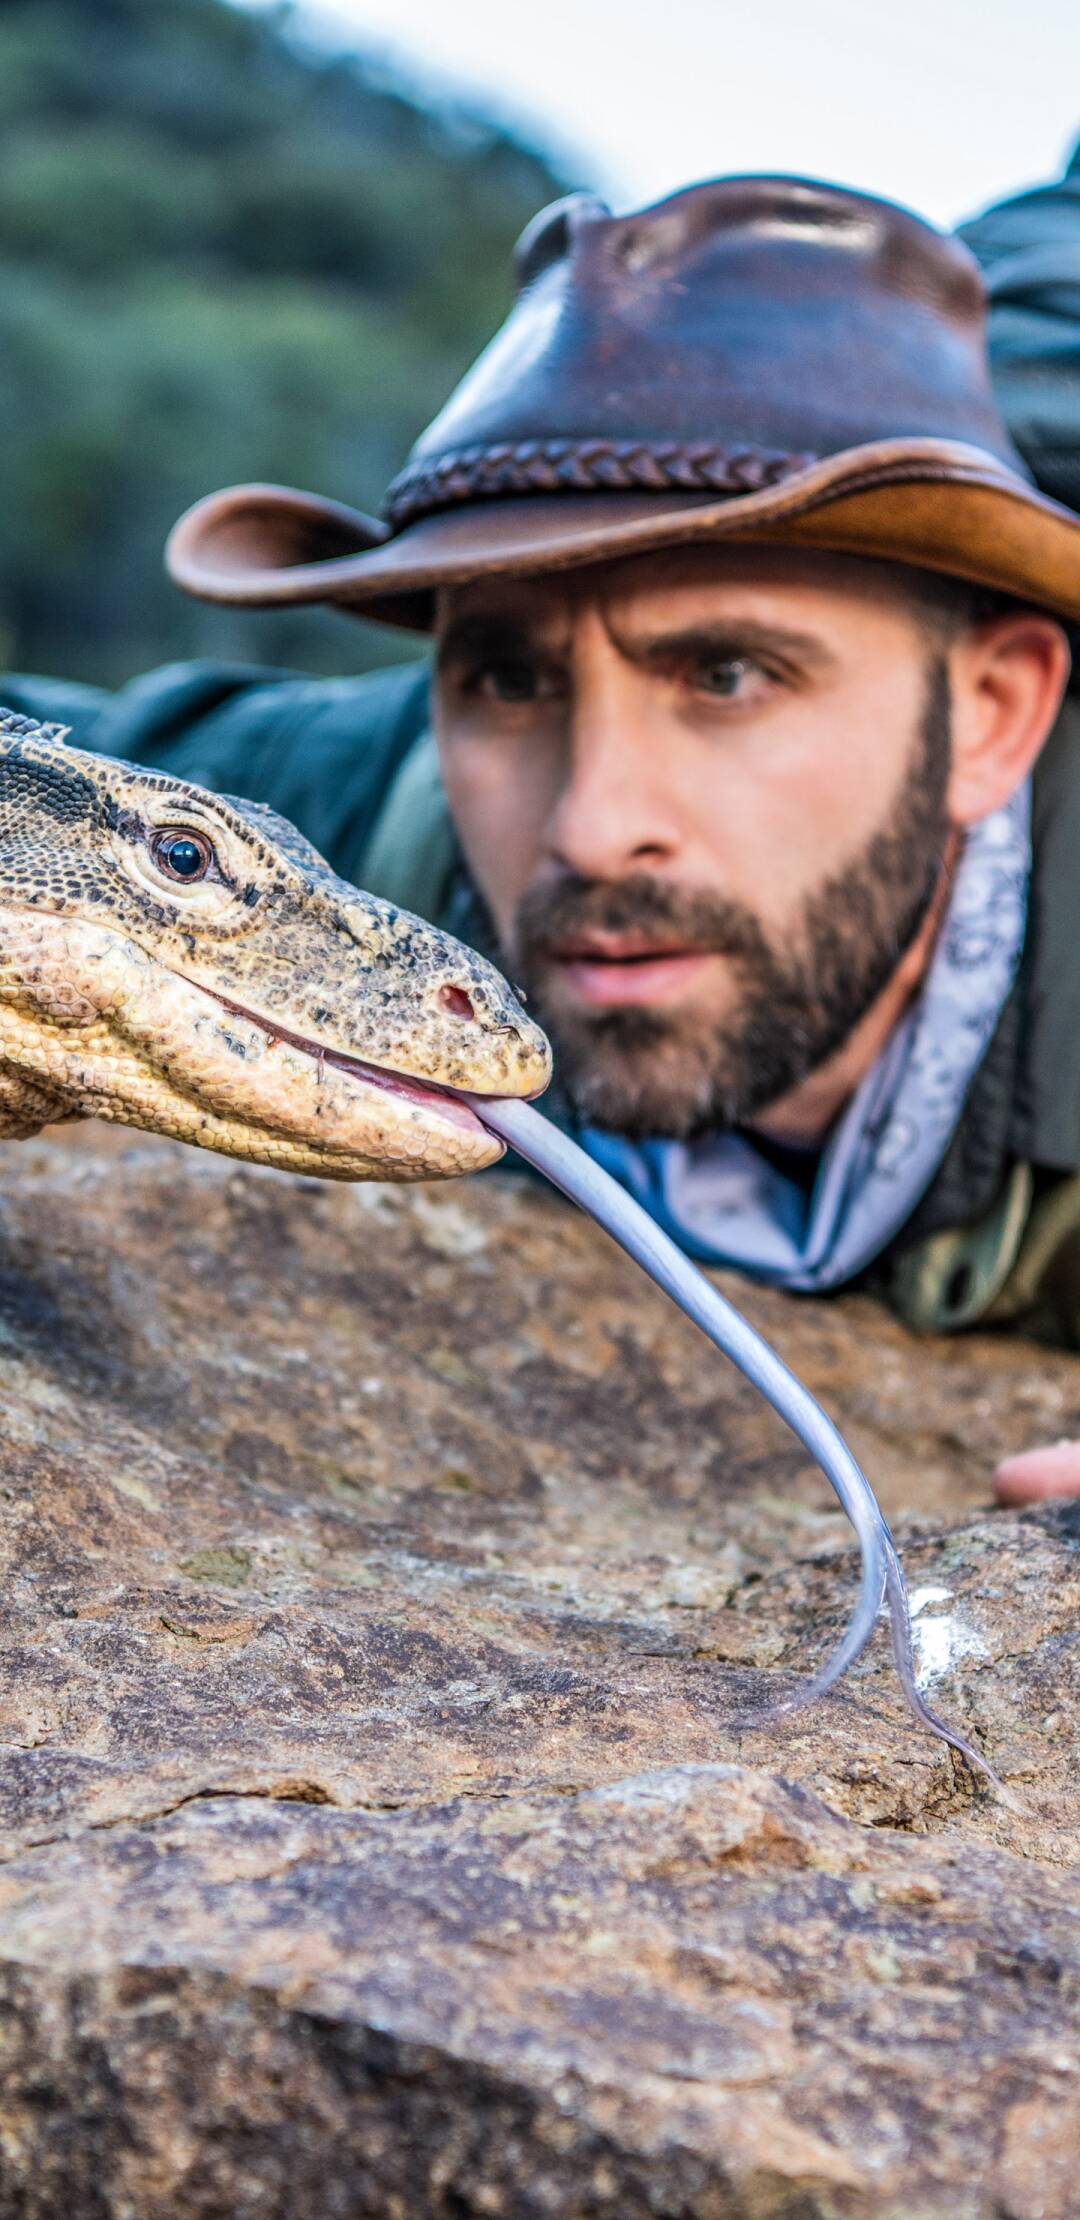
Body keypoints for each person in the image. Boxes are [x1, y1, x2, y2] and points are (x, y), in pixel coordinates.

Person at [7, 170, 1080, 1505]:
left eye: (729, 674)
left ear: (993, 712)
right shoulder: (349, 820)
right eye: (508, 680)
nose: (588, 825)